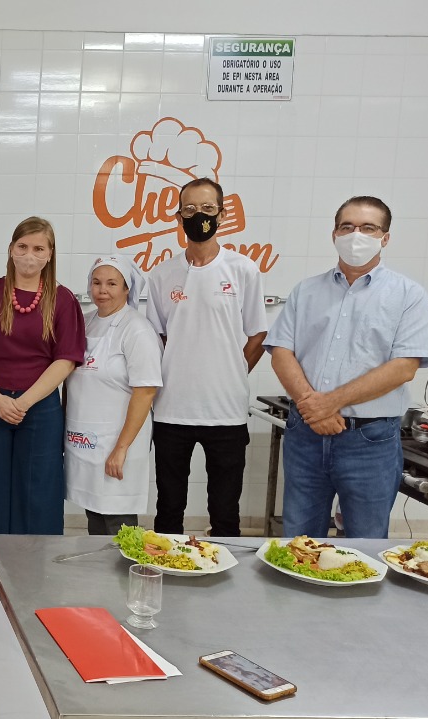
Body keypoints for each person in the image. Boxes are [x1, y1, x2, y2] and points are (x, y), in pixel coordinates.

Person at [265, 196, 428, 539]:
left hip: (370, 441)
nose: (356, 235)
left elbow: (404, 367)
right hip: (305, 435)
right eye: (348, 227)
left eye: (368, 228)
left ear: (384, 237)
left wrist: (328, 402)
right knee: (299, 539)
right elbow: (281, 350)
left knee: (365, 542)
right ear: (334, 234)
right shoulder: (307, 291)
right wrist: (313, 407)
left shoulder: (408, 295)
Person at [0, 216, 85, 617]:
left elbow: (65, 360)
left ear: (50, 255)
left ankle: (32, 582)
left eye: (39, 249)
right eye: (23, 247)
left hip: (40, 407)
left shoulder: (62, 300)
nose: (30, 255)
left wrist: (25, 401)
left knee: (38, 496)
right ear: (11, 249)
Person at [145, 178, 266, 538]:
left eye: (208, 209)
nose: (199, 216)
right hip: (172, 410)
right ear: (179, 216)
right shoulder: (162, 274)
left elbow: (258, 333)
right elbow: (158, 336)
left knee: (226, 512)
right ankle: (165, 579)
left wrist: (234, 371)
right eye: (190, 209)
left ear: (222, 214)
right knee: (168, 509)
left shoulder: (243, 269)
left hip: (226, 411)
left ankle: (225, 587)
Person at [63, 256, 162, 535]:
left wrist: (121, 449)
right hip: (85, 442)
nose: (102, 290)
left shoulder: (137, 329)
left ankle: (123, 578)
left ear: (127, 288)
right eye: (96, 282)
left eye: (111, 283)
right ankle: (100, 578)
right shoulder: (86, 322)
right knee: (94, 515)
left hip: (118, 443)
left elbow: (146, 392)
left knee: (117, 523)